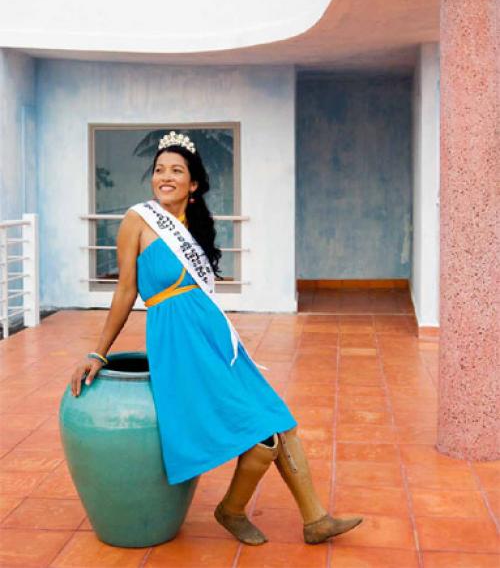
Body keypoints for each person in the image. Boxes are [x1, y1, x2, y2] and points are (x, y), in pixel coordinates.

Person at [70, 131, 362, 546]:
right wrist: (99, 352)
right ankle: (232, 510)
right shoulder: (138, 220)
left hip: (213, 335)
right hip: (178, 340)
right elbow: (125, 291)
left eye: (176, 171)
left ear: (193, 185)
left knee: (278, 419)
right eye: (159, 170)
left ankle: (315, 519)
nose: (165, 177)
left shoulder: (196, 228)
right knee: (261, 432)